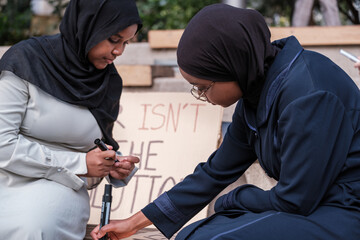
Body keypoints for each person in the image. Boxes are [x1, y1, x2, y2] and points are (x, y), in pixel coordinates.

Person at [91, 3, 360, 240]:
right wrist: (134, 223)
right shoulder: (257, 91)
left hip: (347, 210)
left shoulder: (309, 95)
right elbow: (214, 172)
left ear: (233, 66)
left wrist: (234, 198)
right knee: (190, 234)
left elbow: (296, 199)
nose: (201, 96)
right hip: (314, 206)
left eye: (202, 87)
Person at [0, 0, 142, 239]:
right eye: (114, 39)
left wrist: (111, 167)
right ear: (87, 26)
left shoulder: (106, 83)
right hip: (5, 174)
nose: (119, 52)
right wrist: (79, 163)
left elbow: (91, 160)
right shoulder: (26, 61)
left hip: (58, 188)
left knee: (34, 227)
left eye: (126, 43)